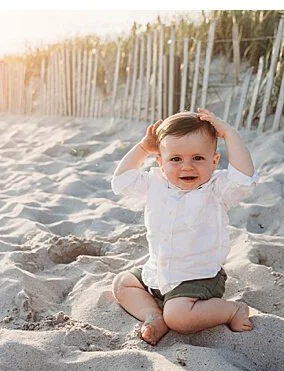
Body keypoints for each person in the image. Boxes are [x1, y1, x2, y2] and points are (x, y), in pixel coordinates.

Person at [110, 108, 257, 346]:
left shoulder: (217, 189)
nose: (186, 167)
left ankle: (232, 310)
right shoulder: (154, 183)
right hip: (157, 273)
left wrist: (229, 133)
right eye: (175, 159)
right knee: (122, 283)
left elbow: (245, 178)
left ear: (214, 160)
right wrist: (143, 148)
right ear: (160, 161)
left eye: (198, 158)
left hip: (198, 277)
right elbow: (121, 181)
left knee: (179, 317)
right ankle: (153, 315)